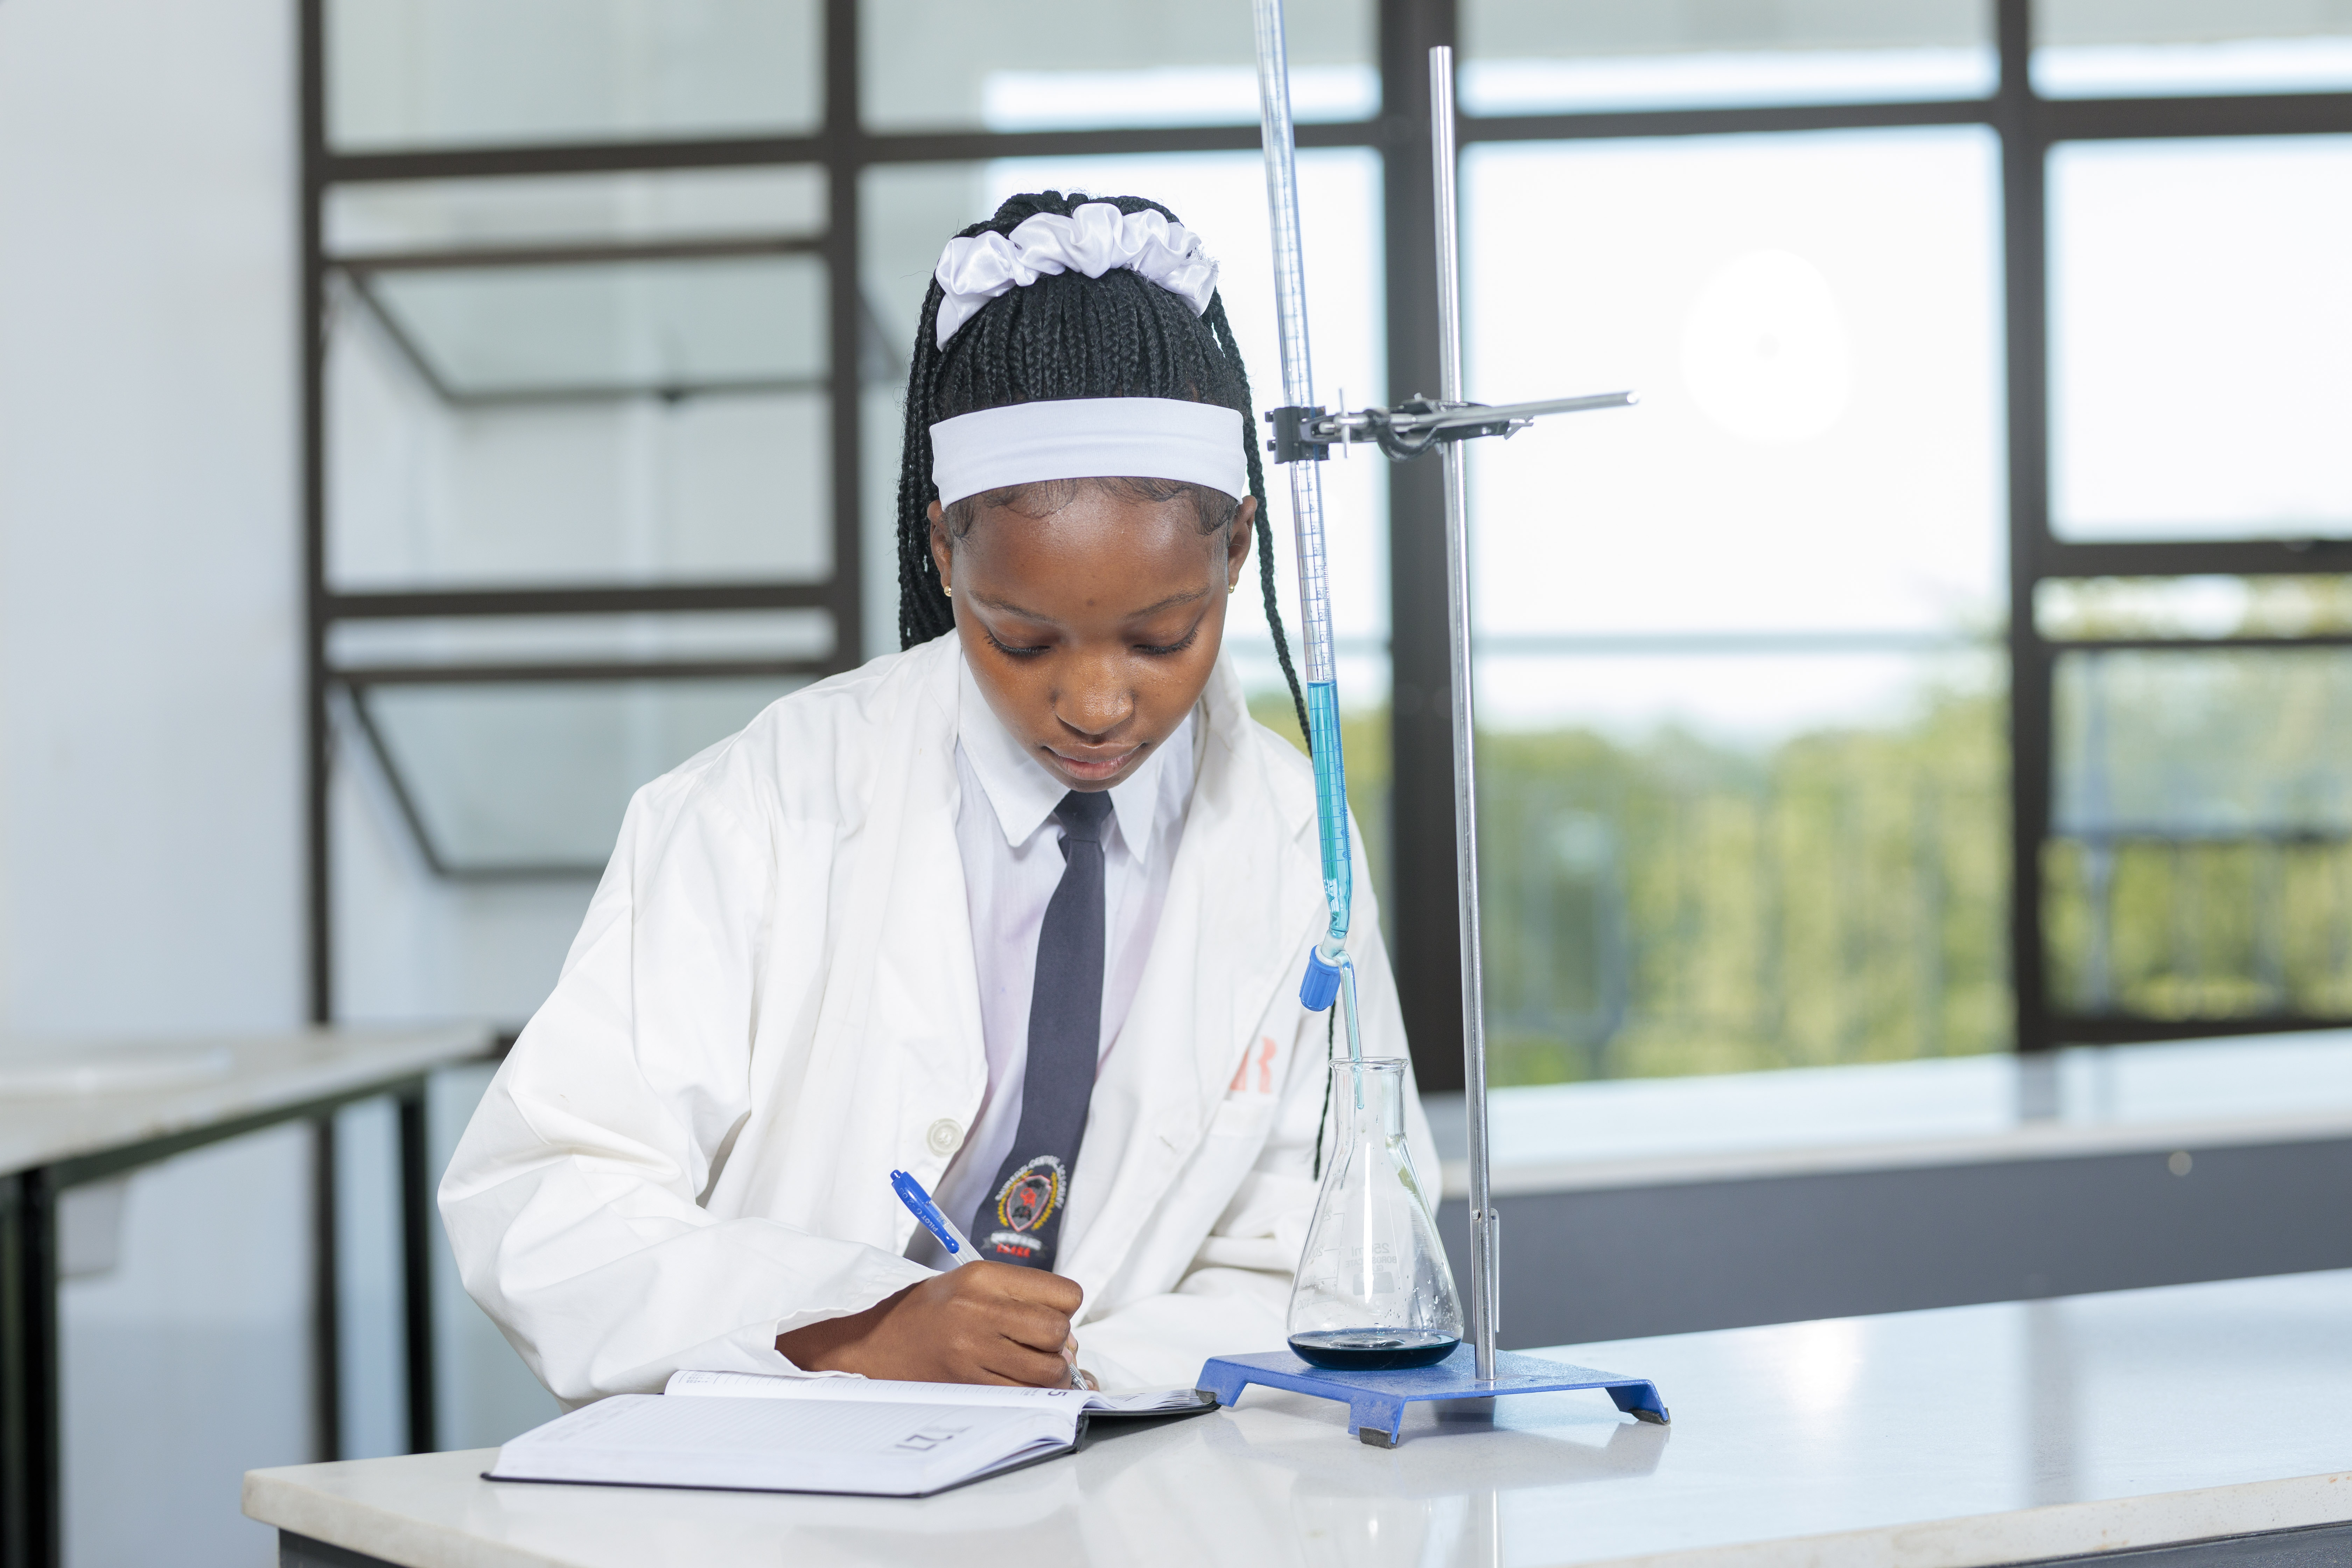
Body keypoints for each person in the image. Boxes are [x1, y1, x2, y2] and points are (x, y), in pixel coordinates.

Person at [438, 191, 1438, 1401]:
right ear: (943, 553)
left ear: (1236, 555)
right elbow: (541, 1200)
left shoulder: (1290, 835)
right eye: (1023, 641)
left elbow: (1329, 1241)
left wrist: (1065, 1367)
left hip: (1120, 1479)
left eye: (1163, 636)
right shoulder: (771, 801)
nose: (1095, 703)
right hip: (787, 1484)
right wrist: (853, 1328)